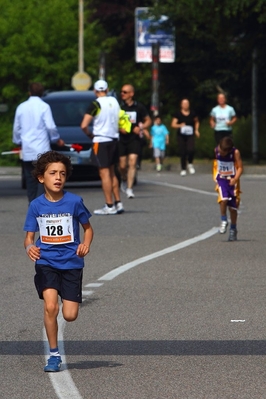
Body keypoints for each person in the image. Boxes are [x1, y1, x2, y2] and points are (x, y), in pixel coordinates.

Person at [23, 151, 94, 372]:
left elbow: (88, 229)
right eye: (52, 173)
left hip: (72, 263)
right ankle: (53, 355)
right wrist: (30, 247)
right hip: (47, 263)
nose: (58, 177)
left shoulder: (74, 202)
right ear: (41, 178)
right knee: (50, 306)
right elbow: (29, 237)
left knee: (70, 315)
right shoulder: (36, 205)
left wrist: (85, 245)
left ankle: (66, 297)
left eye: (62, 173)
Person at [12, 82, 65, 203]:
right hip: (42, 149)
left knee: (30, 181)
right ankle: (41, 206)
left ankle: (32, 206)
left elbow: (16, 128)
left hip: (28, 150)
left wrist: (18, 141)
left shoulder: (21, 107)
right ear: (42, 93)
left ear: (29, 92)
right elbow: (50, 127)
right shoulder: (44, 106)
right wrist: (56, 139)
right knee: (43, 179)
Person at [81, 80, 124, 215]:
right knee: (112, 172)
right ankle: (118, 202)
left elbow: (84, 125)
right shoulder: (115, 101)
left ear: (95, 91)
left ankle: (109, 205)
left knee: (104, 173)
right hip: (113, 139)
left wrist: (90, 135)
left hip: (101, 140)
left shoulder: (96, 104)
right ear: (107, 89)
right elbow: (121, 118)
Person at [119, 84, 152, 198]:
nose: (122, 94)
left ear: (131, 94)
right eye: (122, 92)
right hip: (122, 139)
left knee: (132, 162)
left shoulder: (139, 107)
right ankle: (123, 179)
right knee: (122, 165)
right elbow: (113, 122)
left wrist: (141, 127)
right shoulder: (119, 107)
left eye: (125, 92)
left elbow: (148, 120)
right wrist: (120, 128)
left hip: (135, 139)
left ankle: (129, 188)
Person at [213, 136, 243, 241]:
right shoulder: (216, 150)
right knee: (223, 199)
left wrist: (235, 178)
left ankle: (233, 229)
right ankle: (223, 220)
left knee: (233, 208)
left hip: (232, 181)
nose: (220, 152)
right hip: (222, 179)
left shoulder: (235, 153)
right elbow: (216, 164)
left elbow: (240, 167)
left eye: (223, 151)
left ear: (229, 150)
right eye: (220, 149)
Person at [171, 99, 200, 176]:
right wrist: (180, 125)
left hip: (190, 134)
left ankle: (190, 163)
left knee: (191, 149)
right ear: (181, 105)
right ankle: (183, 168)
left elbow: (196, 121)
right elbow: (173, 124)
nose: (185, 105)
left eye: (187, 103)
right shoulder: (178, 114)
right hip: (181, 135)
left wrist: (196, 130)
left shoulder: (192, 113)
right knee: (183, 151)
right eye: (184, 103)